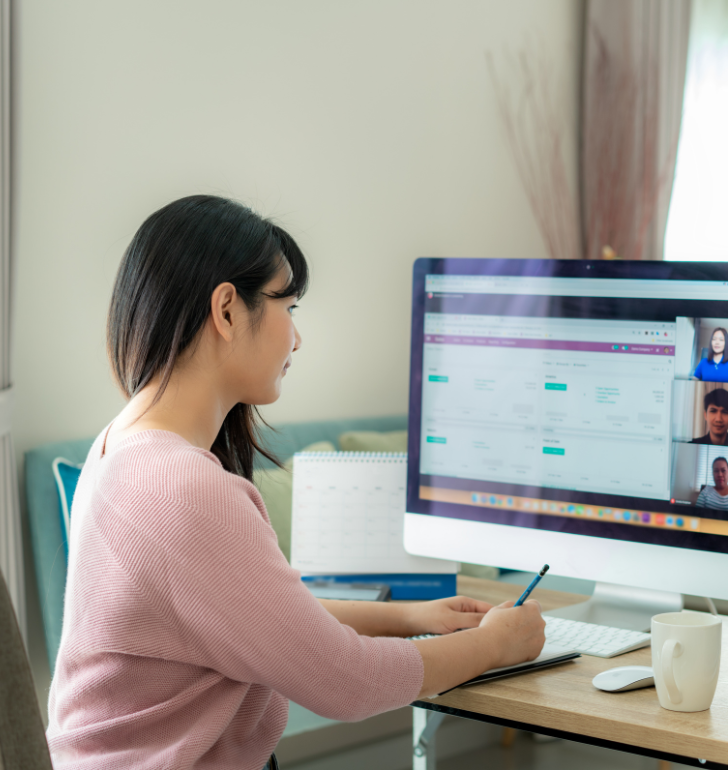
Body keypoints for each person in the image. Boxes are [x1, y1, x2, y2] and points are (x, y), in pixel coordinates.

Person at [45, 195, 546, 770]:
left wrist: (410, 617)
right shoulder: (184, 490)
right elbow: (348, 681)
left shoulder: (122, 444)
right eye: (289, 306)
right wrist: (495, 645)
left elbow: (263, 614)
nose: (297, 338)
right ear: (228, 310)